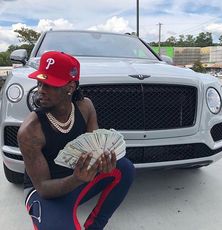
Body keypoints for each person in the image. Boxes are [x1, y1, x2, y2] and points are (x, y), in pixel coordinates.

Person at [17, 51, 135, 230]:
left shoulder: (86, 107)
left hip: (78, 176)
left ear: (70, 87)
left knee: (124, 168)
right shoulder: (30, 130)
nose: (41, 90)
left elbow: (95, 151)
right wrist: (76, 179)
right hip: (46, 191)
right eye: (40, 82)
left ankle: (95, 226)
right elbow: (43, 188)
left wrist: (102, 163)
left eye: (50, 85)